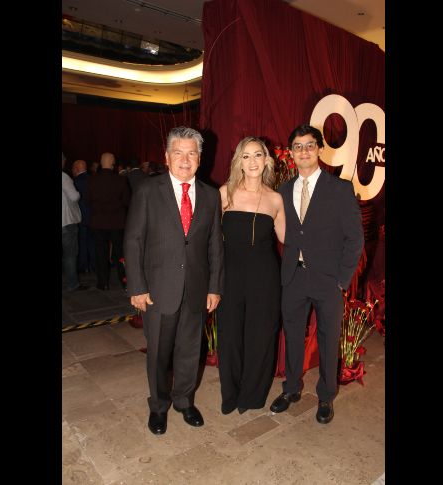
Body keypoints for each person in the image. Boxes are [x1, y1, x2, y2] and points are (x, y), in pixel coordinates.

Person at [123, 126, 224, 435]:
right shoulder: (147, 191)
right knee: (158, 353)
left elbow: (214, 246)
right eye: (178, 153)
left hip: (195, 290)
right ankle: (158, 406)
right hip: (157, 290)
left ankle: (183, 400)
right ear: (166, 157)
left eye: (191, 153)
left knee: (190, 351)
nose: (185, 159)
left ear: (200, 158)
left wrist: (214, 287)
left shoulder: (210, 195)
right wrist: (137, 286)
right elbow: (133, 240)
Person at [269, 124, 364, 424]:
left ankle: (325, 396)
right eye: (298, 146)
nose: (304, 151)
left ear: (320, 149)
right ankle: (291, 389)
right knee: (293, 336)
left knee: (328, 338)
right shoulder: (284, 190)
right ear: (292, 153)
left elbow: (355, 239)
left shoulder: (340, 189)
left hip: (328, 280)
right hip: (293, 277)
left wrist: (341, 280)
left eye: (310, 145)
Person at [217, 136, 285, 415]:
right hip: (230, 275)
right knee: (229, 336)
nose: (253, 161)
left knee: (261, 336)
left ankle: (252, 396)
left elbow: (288, 238)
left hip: (265, 277)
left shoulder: (276, 198)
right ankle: (230, 395)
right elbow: (209, 239)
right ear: (239, 162)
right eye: (246, 156)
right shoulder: (225, 194)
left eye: (258, 154)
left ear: (267, 160)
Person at [87, 152, 130, 290]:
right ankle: (125, 281)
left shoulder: (92, 180)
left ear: (100, 163)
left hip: (98, 221)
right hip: (117, 222)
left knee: (101, 253)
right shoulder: (121, 180)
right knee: (120, 253)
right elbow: (127, 201)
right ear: (113, 163)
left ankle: (103, 283)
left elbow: (88, 200)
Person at [62, 153, 87, 292]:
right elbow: (74, 196)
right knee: (70, 254)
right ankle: (72, 284)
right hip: (66, 221)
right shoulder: (64, 177)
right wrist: (78, 193)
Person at [72, 159, 96, 274]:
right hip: (94, 216)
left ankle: (83, 266)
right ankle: (93, 265)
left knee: (82, 242)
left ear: (76, 168)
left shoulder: (75, 182)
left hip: (80, 216)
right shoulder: (93, 179)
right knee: (92, 242)